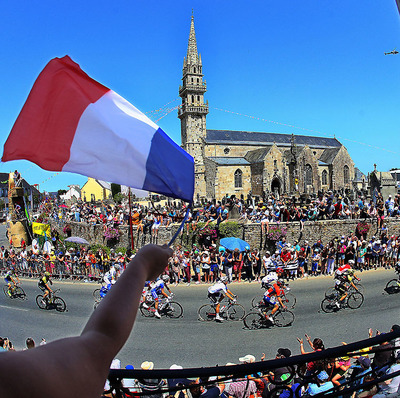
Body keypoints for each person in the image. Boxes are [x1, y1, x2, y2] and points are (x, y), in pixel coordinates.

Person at [0, 243, 172, 398]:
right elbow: (100, 342)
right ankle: (155, 309)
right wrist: (142, 264)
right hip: (108, 292)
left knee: (48, 290)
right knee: (46, 292)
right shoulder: (12, 377)